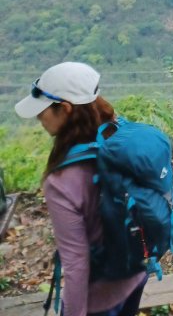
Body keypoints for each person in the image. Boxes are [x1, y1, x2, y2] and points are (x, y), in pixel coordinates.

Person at [15, 62, 148, 316]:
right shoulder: (120, 136)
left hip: (101, 300)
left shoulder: (61, 182)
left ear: (64, 109)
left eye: (42, 111)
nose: (38, 118)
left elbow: (76, 263)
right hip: (135, 274)